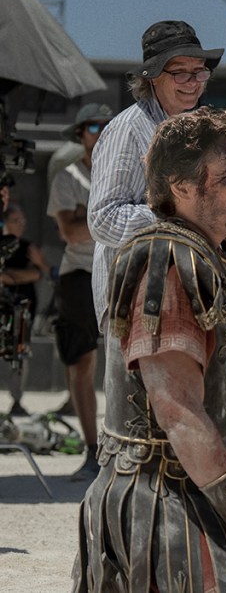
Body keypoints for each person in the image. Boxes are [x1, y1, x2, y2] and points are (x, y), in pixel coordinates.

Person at [73, 107, 226, 592]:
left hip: (208, 482)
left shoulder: (212, 253)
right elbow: (179, 412)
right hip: (160, 497)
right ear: (181, 186)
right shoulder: (166, 261)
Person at [88, 21, 226, 473]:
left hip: (193, 296)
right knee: (136, 428)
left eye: (201, 73)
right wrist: (179, 216)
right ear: (152, 77)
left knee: (199, 417)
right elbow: (103, 218)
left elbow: (208, 219)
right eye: (182, 73)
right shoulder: (128, 131)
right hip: (135, 299)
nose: (194, 82)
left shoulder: (198, 136)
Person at [46, 103, 112, 481]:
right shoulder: (67, 177)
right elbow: (69, 233)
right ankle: (91, 450)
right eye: (93, 125)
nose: (101, 131)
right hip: (81, 274)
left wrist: (88, 215)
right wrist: (109, 216)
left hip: (120, 270)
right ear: (80, 133)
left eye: (106, 124)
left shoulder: (127, 172)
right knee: (82, 363)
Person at [1, 203, 48, 416]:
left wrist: (12, 276)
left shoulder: (28, 247)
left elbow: (38, 273)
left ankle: (17, 401)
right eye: (16, 221)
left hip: (23, 313)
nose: (21, 226)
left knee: (19, 358)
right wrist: (20, 275)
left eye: (23, 222)